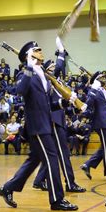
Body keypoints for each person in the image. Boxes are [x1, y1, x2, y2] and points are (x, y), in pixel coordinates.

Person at [0, 40, 77, 211]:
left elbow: (47, 104)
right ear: (30, 55)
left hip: (45, 122)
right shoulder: (26, 74)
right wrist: (28, 67)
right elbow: (20, 90)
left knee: (35, 159)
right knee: (52, 159)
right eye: (37, 50)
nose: (41, 52)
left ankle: (8, 188)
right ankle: (57, 200)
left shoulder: (41, 74)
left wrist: (64, 103)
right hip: (38, 126)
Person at [32, 42, 86, 193]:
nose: (55, 68)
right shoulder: (48, 79)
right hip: (54, 121)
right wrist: (61, 53)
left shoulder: (57, 82)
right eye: (52, 67)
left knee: (54, 153)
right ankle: (70, 183)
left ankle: (38, 180)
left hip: (59, 119)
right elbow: (59, 68)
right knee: (63, 153)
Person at [80, 72, 106, 181]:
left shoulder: (105, 90)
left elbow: (105, 107)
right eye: (101, 77)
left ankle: (87, 164)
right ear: (97, 80)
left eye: (104, 77)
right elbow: (89, 103)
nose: (104, 78)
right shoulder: (94, 90)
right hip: (100, 122)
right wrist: (93, 89)